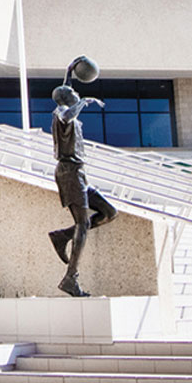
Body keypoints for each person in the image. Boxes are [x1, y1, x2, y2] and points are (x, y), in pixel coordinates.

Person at [47, 83, 118, 296]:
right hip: (69, 172)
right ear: (66, 98)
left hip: (79, 173)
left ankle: (62, 236)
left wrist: (72, 68)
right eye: (73, 93)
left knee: (109, 212)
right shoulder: (61, 113)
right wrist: (82, 102)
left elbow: (65, 88)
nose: (76, 93)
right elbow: (67, 115)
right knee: (83, 223)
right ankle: (70, 279)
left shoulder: (67, 106)